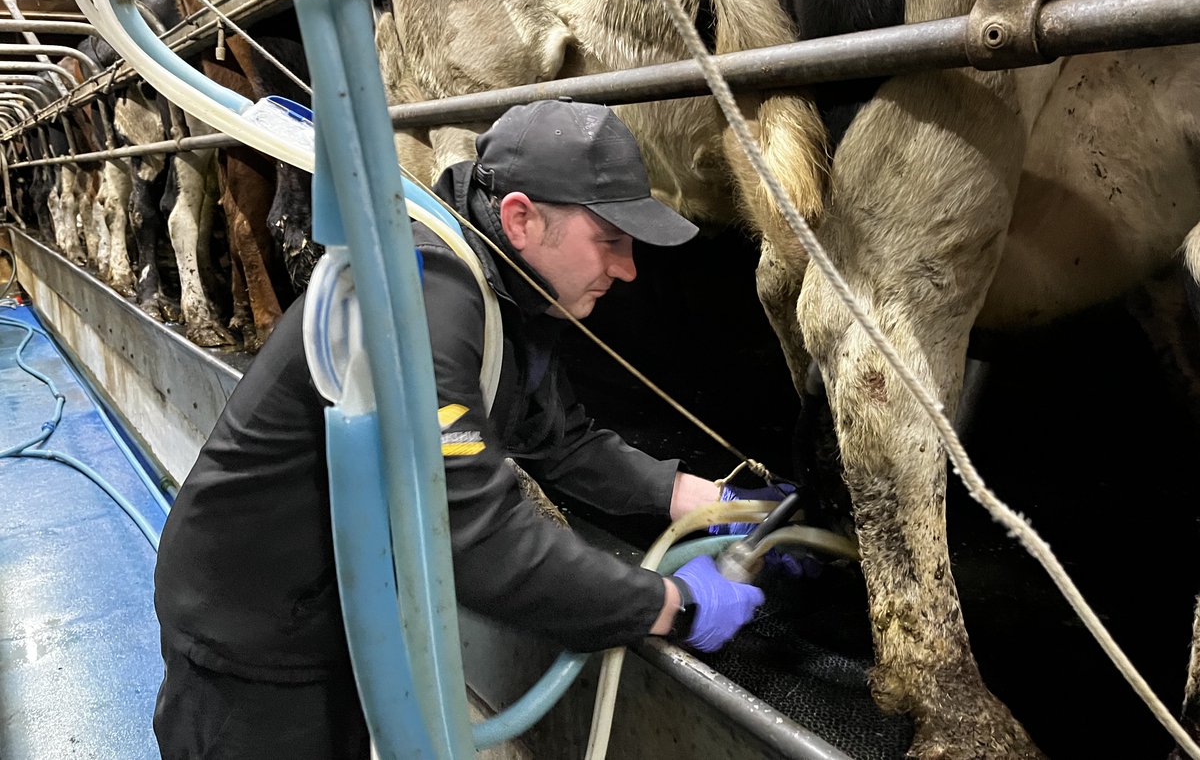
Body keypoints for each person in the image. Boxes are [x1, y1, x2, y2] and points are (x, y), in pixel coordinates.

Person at [152, 98, 777, 759]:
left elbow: (560, 440)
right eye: (609, 240)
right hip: (252, 632)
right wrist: (672, 603)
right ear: (521, 218)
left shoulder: (496, 288)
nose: (627, 269)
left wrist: (710, 501)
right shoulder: (430, 295)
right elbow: (476, 541)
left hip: (325, 610)